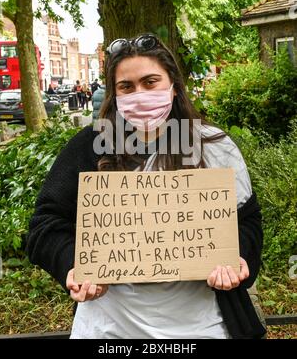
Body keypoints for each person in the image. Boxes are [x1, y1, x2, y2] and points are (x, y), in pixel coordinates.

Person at [26, 34, 266, 339]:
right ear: (115, 94)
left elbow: (247, 221)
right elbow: (44, 225)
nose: (139, 94)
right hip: (110, 329)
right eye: (126, 87)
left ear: (173, 86)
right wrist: (73, 265)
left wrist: (239, 257)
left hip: (203, 326)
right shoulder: (90, 147)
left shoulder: (214, 146)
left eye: (150, 82)